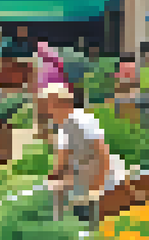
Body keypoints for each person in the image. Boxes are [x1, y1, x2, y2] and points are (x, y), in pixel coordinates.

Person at [39, 82, 125, 223]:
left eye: (49, 105)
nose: (47, 111)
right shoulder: (63, 127)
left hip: (102, 175)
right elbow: (61, 164)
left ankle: (68, 228)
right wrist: (52, 179)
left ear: (61, 103)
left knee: (57, 192)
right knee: (51, 190)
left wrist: (98, 186)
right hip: (85, 174)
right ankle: (62, 227)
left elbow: (102, 153)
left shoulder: (82, 122)